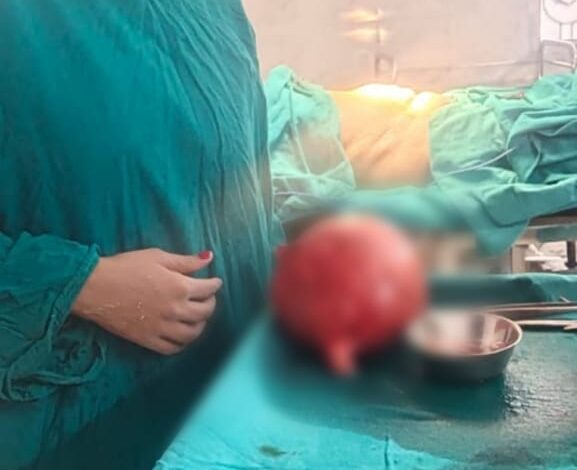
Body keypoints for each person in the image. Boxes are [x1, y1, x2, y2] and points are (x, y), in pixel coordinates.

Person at [0, 1, 274, 468]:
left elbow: (244, 179)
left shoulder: (219, 13)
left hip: (228, 409)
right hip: (76, 425)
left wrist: (281, 267)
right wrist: (84, 286)